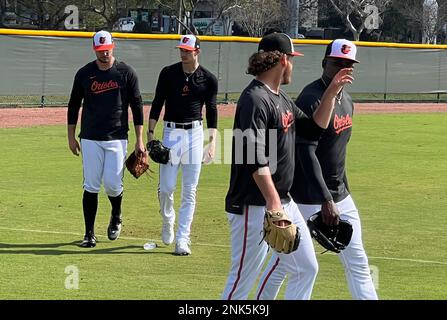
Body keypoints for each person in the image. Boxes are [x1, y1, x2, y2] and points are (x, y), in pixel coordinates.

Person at [222, 33, 354, 300]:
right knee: (241, 283)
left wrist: (331, 92)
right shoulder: (254, 100)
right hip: (253, 204)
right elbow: (254, 159)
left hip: (282, 201)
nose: (293, 64)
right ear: (282, 60)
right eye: (291, 58)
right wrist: (274, 205)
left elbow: (315, 128)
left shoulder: (280, 98)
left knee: (306, 268)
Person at [256, 39, 378, 300]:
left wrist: (342, 193)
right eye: (337, 63)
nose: (343, 69)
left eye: (348, 64)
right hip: (309, 197)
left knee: (358, 262)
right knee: (285, 262)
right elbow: (305, 151)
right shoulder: (311, 98)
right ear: (325, 63)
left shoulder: (347, 100)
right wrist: (326, 199)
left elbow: (338, 155)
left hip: (338, 194)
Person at [67, 30, 145, 248]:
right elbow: (74, 105)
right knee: (91, 185)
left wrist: (140, 140)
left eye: (107, 49)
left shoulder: (126, 73)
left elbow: (137, 107)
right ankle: (89, 234)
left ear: (114, 46)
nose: (104, 53)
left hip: (117, 137)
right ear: (94, 49)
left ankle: (116, 214)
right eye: (100, 50)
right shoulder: (85, 73)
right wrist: (71, 136)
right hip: (90, 137)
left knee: (112, 184)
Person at [147, 34, 218, 256]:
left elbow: (212, 110)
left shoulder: (208, 78)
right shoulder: (168, 73)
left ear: (197, 51)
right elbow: (157, 103)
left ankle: (182, 239)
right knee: (167, 188)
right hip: (171, 133)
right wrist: (150, 134)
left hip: (195, 134)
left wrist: (213, 142)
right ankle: (168, 220)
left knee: (190, 191)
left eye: (187, 50)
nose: (183, 53)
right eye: (181, 49)